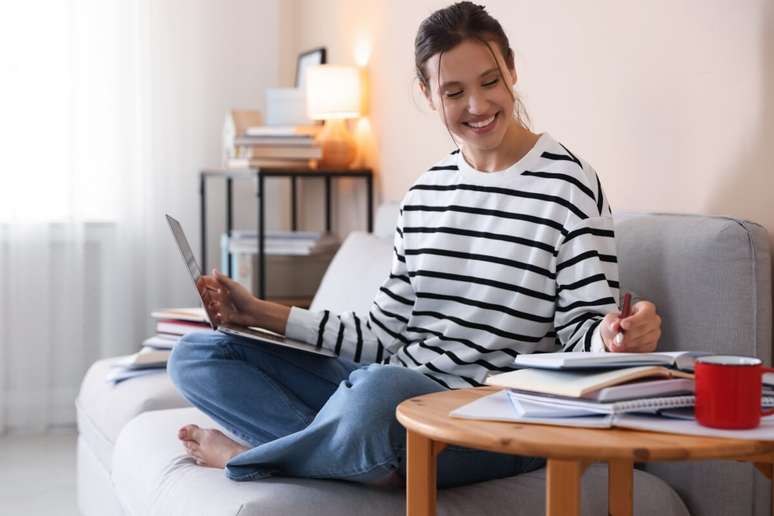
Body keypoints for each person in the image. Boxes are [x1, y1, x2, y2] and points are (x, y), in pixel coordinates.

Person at [168, 1, 662, 487]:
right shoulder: (425, 193)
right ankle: (349, 453)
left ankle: (260, 456)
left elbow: (583, 337)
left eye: (490, 81)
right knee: (197, 356)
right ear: (428, 94)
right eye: (454, 91)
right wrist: (257, 313)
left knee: (376, 394)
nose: (478, 105)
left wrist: (614, 337)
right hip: (392, 398)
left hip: (484, 420)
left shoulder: (569, 185)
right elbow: (381, 333)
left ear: (511, 69)